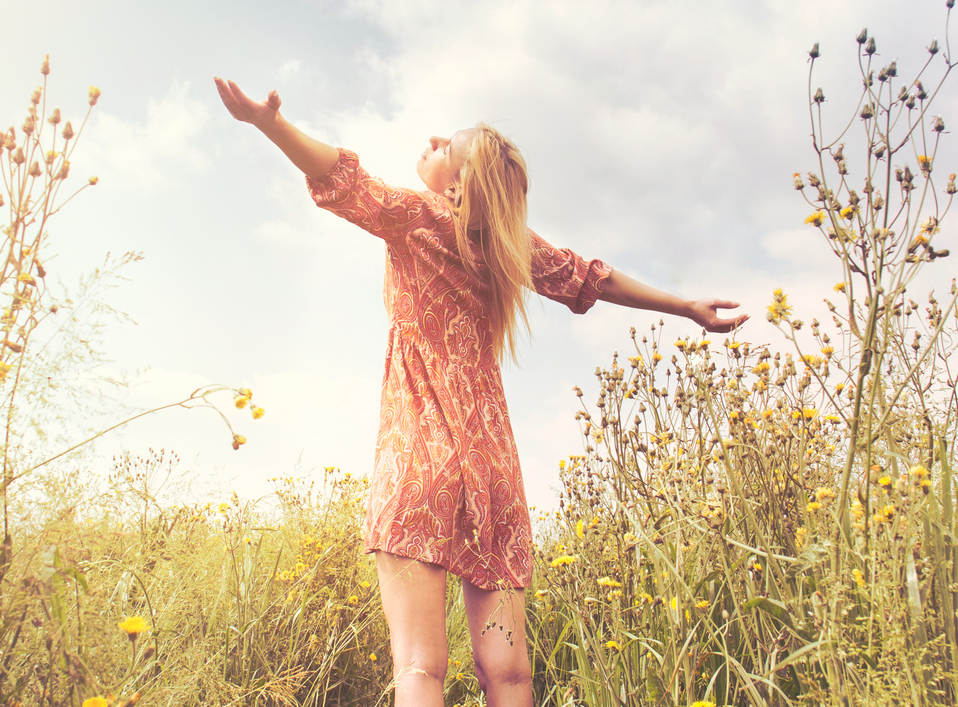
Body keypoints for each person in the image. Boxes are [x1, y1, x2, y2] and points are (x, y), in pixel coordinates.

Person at [214, 77, 747, 707]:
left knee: (419, 666)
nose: (433, 140)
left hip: (421, 456)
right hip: (491, 470)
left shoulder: (419, 217)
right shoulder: (511, 250)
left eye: (447, 146)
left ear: (460, 185)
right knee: (510, 672)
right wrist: (685, 306)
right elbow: (592, 280)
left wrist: (269, 124)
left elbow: (341, 174)